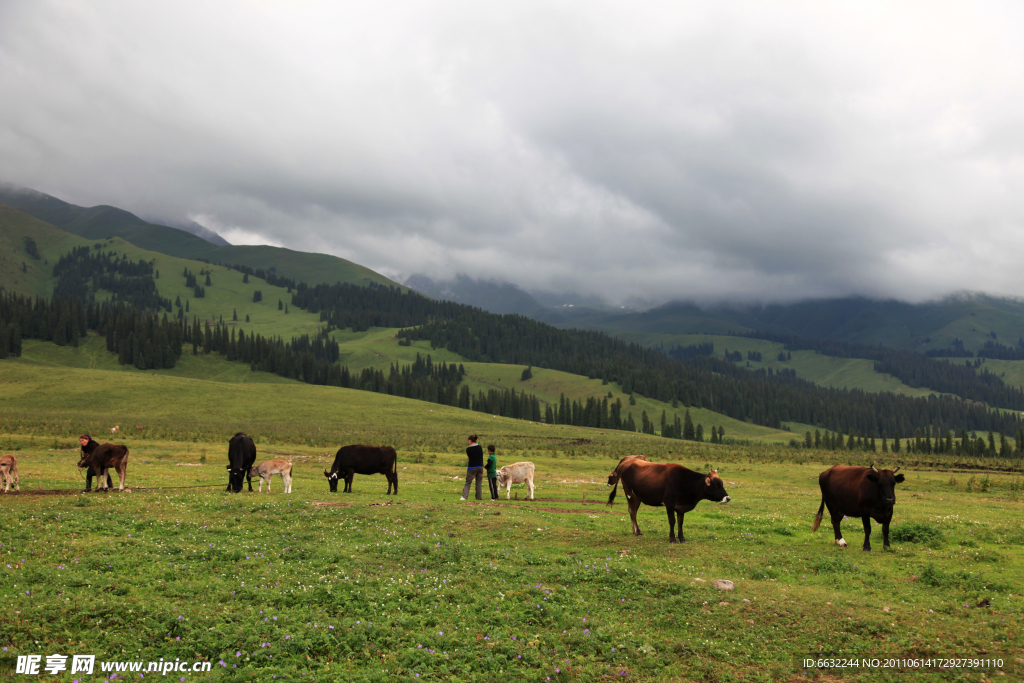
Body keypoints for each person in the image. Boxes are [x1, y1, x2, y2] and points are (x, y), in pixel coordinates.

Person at [460, 434, 484, 501]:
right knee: (479, 483)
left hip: (472, 467)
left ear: (470, 441)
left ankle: (464, 497)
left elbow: (470, 457)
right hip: (480, 466)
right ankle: (479, 497)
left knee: (468, 482)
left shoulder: (468, 449)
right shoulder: (480, 447)